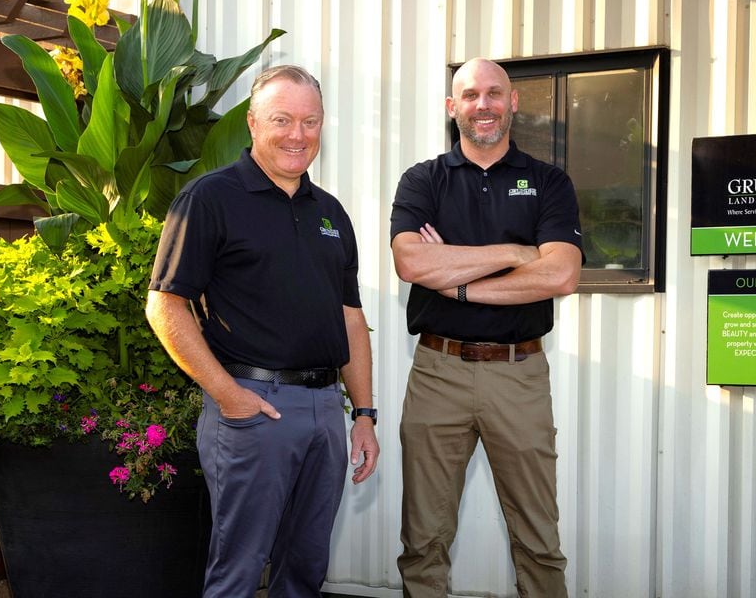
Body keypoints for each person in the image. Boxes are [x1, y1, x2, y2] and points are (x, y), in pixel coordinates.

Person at [146, 64, 379, 598]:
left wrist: (363, 415)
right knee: (239, 569)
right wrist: (229, 396)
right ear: (252, 123)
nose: (297, 135)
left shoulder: (331, 214)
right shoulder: (210, 199)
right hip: (254, 408)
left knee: (306, 566)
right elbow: (165, 306)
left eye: (310, 121)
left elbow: (350, 318)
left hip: (325, 409)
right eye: (282, 120)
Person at [390, 57, 584, 598]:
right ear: (453, 107)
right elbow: (411, 264)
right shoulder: (422, 180)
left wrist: (457, 280)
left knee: (538, 539)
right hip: (436, 371)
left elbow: (562, 273)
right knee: (423, 538)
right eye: (470, 95)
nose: (484, 104)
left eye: (494, 93)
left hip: (518, 374)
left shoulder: (548, 182)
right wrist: (516, 253)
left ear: (513, 102)